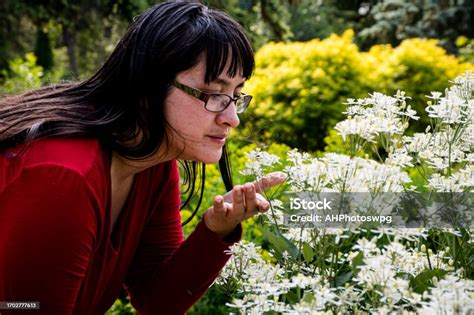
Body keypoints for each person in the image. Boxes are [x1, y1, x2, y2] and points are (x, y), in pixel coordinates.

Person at [0, 1, 286, 314]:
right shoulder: (63, 175)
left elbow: (155, 300)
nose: (232, 118)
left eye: (235, 96)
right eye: (214, 94)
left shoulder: (153, 161)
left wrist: (215, 231)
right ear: (150, 87)